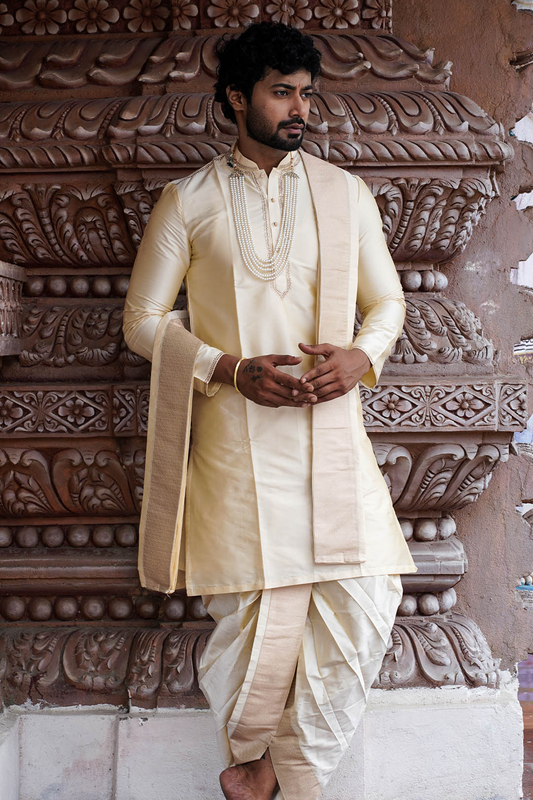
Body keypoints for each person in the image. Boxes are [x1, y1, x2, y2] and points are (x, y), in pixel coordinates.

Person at [122, 21, 417, 800]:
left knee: (368, 598)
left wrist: (361, 356)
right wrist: (227, 368)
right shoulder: (186, 202)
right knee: (255, 621)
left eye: (306, 94)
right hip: (236, 446)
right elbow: (141, 322)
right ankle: (265, 771)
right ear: (235, 98)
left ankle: (269, 775)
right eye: (281, 93)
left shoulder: (344, 194)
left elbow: (386, 302)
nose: (299, 110)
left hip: (329, 435)